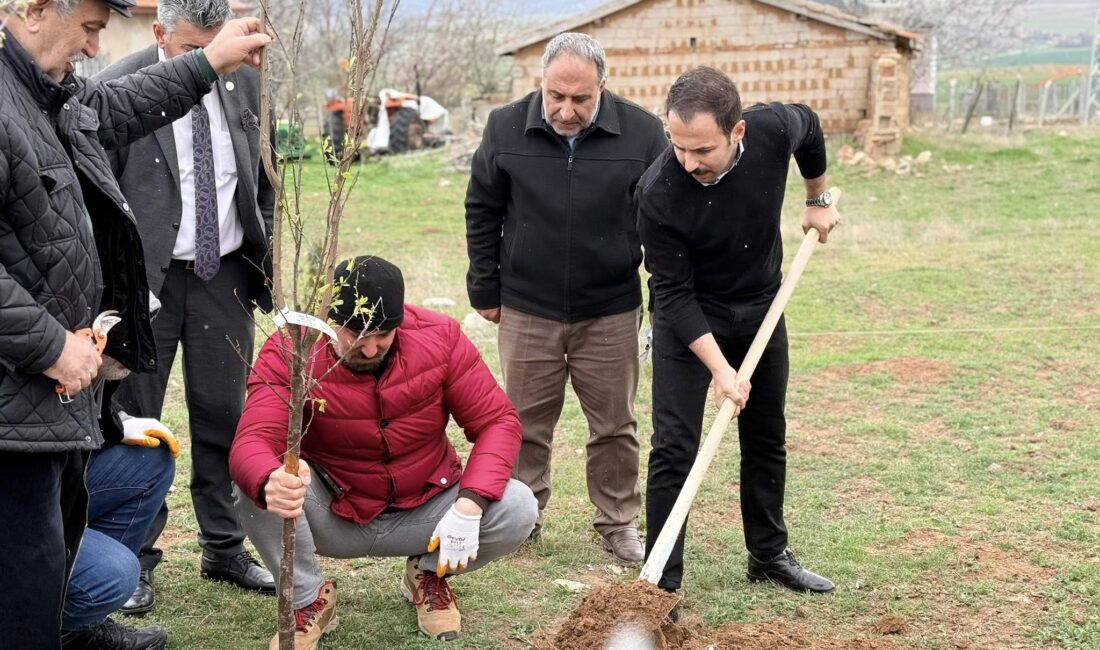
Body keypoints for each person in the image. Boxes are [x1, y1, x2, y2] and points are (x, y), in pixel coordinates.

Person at [0, 0, 269, 644]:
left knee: (59, 547)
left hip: (49, 403)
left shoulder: (47, 94)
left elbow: (120, 108)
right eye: (90, 29)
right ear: (36, 9)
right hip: (19, 401)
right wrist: (51, 346)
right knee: (29, 577)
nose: (95, 48)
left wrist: (207, 61)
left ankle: (71, 629)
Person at [229, 256, 538, 648]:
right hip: (335, 511)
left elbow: (498, 421)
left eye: (383, 334)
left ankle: (429, 574)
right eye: (355, 334)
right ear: (329, 320)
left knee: (518, 506)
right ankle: (309, 599)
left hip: (427, 507)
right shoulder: (294, 348)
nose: (370, 347)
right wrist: (268, 480)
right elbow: (254, 438)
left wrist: (470, 505)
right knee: (256, 487)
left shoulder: (440, 337)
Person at [96, 0, 278, 614]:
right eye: (190, 50)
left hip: (222, 273)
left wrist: (262, 260)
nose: (206, 62)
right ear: (158, 33)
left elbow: (261, 182)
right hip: (144, 282)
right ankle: (136, 557)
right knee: (137, 419)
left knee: (225, 414)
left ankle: (222, 546)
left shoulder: (245, 80)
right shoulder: (116, 89)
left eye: (213, 47)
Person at [464, 32, 666, 564]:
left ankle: (618, 522)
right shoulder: (505, 127)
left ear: (603, 86)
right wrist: (485, 288)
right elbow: (482, 209)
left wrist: (660, 299)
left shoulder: (643, 134)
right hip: (527, 306)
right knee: (524, 423)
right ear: (543, 84)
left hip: (612, 308)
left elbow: (664, 223)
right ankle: (522, 517)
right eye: (556, 96)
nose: (566, 109)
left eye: (580, 98)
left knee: (615, 427)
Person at [636, 66, 839, 596]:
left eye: (702, 150)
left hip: (761, 306)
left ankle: (768, 555)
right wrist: (722, 371)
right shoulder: (658, 192)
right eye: (678, 146)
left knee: (766, 433)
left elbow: (811, 127)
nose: (688, 161)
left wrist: (816, 199)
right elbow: (672, 293)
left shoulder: (773, 128)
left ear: (738, 131)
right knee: (674, 449)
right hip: (691, 317)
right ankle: (661, 583)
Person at [61, 416, 177, 650]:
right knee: (113, 573)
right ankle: (35, 624)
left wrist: (113, 423)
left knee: (149, 460)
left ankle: (78, 628)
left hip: (49, 473)